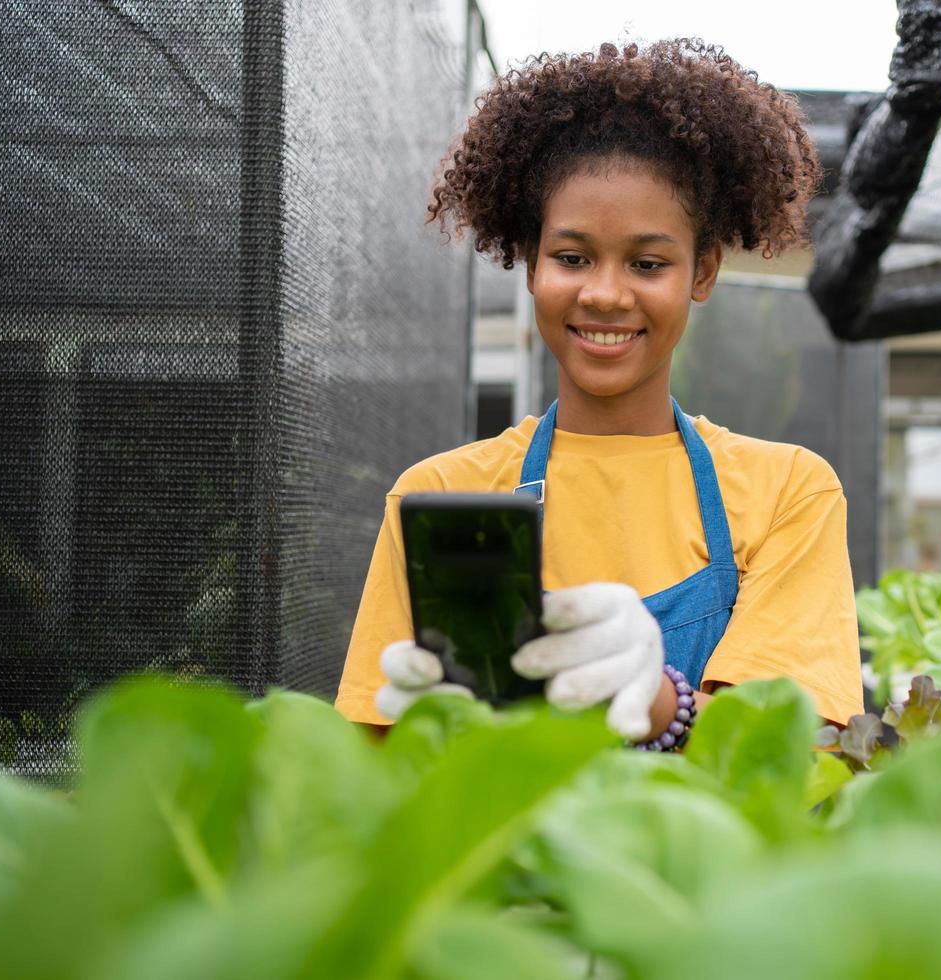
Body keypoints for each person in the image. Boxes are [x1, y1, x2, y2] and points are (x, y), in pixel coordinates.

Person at [335, 39, 864, 746]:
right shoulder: (442, 496)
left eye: (648, 262)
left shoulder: (787, 493)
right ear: (530, 265)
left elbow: (800, 748)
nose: (606, 294)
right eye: (572, 257)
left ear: (702, 272)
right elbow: (375, 767)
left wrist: (657, 703)